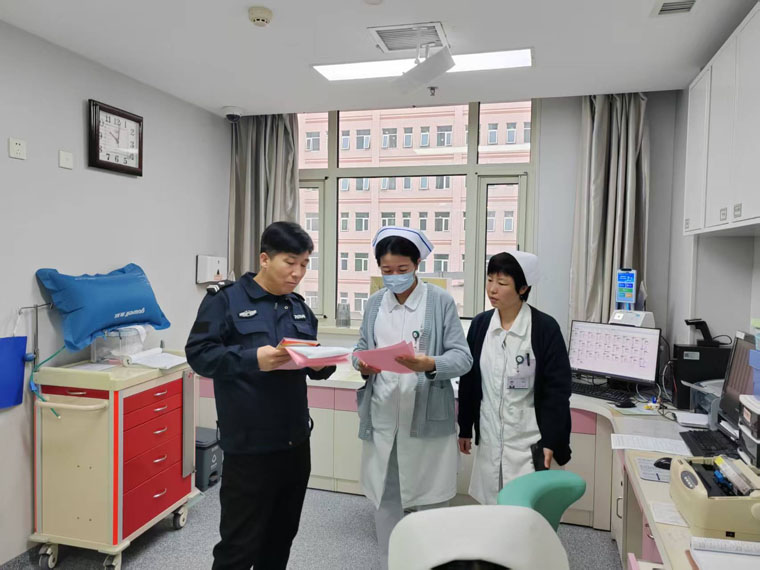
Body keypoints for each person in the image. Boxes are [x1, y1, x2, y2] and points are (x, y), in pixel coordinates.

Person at [185, 221, 335, 570]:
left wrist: (321, 363)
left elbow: (312, 363)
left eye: (305, 264)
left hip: (295, 443)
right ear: (265, 259)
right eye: (290, 262)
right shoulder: (225, 300)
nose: (298, 273)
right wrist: (253, 358)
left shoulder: (299, 307)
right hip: (249, 446)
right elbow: (199, 355)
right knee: (239, 546)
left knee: (281, 538)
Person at [353, 226, 473, 568]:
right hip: (382, 419)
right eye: (386, 270)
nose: (394, 277)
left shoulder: (440, 301)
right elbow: (360, 348)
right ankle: (391, 562)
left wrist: (430, 364)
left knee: (431, 500)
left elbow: (463, 358)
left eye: (402, 269)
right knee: (386, 499)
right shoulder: (374, 304)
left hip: (425, 421)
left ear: (417, 264)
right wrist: (362, 364)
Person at [457, 251, 572, 505]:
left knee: (526, 510)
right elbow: (469, 381)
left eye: (502, 283)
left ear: (523, 288)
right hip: (490, 438)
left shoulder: (544, 328)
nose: (492, 289)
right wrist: (465, 427)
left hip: (529, 442)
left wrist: (552, 440)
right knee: (491, 508)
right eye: (489, 280)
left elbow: (557, 391)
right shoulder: (480, 325)